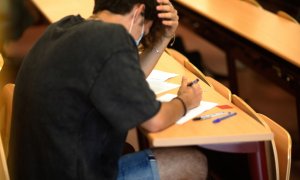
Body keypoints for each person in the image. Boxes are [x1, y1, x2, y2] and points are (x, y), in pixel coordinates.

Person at [8, 0, 208, 179]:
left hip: (34, 169)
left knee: (126, 148)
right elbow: (154, 121)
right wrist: (185, 101)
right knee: (194, 162)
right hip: (71, 172)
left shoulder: (65, 27)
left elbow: (127, 77)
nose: (141, 37)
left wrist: (163, 38)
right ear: (139, 12)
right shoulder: (112, 38)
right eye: (145, 30)